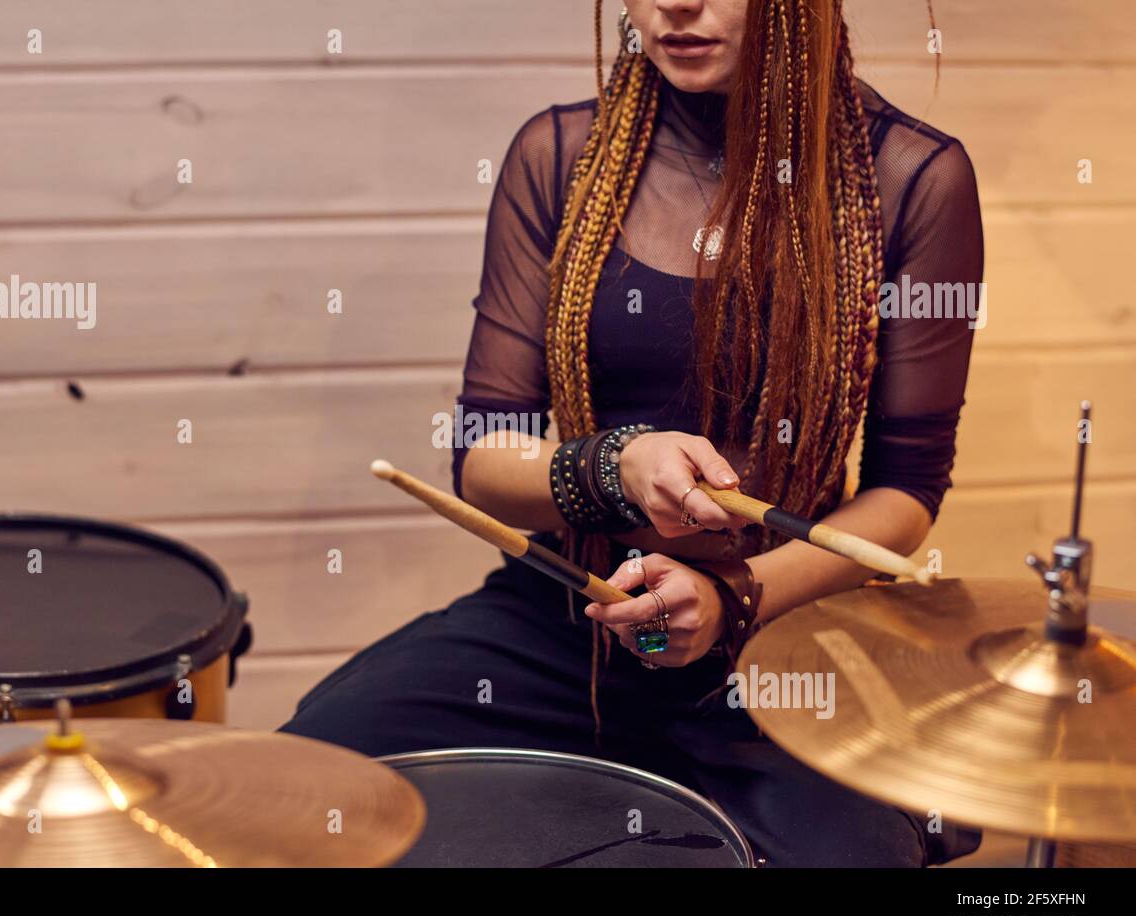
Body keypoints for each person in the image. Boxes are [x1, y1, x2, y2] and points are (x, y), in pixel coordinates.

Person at [282, 0, 983, 866]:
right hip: (564, 620)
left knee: (856, 851)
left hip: (780, 645)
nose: (674, 4)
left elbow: (906, 490)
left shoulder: (913, 176)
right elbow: (484, 459)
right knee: (295, 784)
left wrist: (733, 596)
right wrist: (612, 465)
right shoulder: (559, 157)